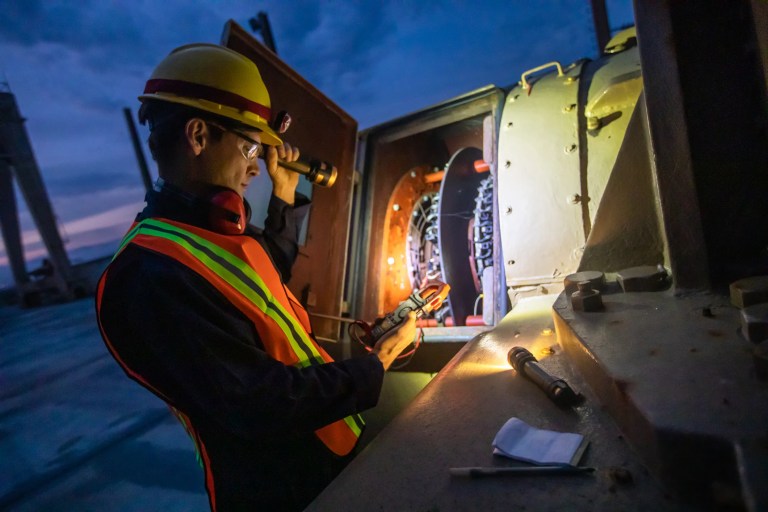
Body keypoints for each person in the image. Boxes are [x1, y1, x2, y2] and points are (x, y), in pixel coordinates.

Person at [95, 43, 416, 511]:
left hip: (332, 450)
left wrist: (284, 201)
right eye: (249, 145)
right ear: (199, 135)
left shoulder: (206, 233)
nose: (254, 165)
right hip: (288, 490)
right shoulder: (146, 276)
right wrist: (376, 363)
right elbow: (260, 402)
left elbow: (257, 284)